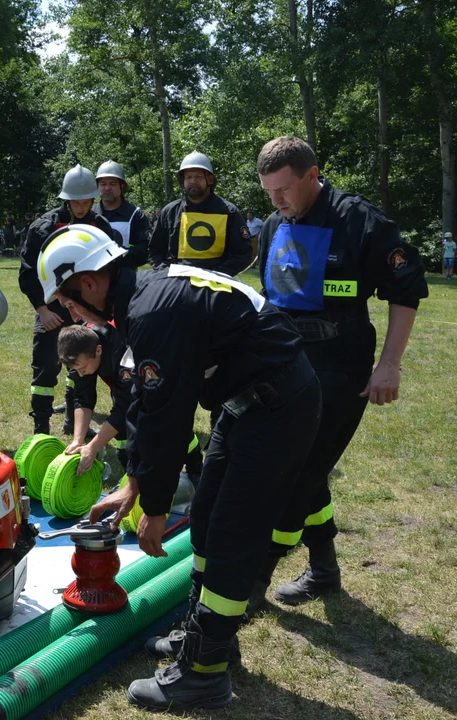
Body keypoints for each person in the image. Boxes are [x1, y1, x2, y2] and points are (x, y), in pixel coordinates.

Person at [38, 226, 321, 712]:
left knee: (232, 532)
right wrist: (134, 485)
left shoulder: (151, 312)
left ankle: (204, 674)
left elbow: (169, 419)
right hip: (248, 404)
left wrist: (154, 506)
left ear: (86, 282)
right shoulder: (143, 299)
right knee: (209, 520)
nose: (71, 314)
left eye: (67, 302)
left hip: (277, 406)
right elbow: (147, 408)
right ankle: (204, 637)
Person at [252, 135, 427, 609]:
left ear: (313, 175)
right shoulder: (272, 225)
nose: (277, 201)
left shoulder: (360, 221)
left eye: (284, 190)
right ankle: (325, 568)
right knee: (307, 468)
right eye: (269, 192)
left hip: (339, 361)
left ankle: (250, 585)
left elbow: (405, 291)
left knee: (298, 469)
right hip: (285, 360)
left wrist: (389, 365)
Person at [19, 164, 121, 435]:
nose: (80, 206)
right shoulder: (43, 227)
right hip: (51, 309)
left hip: (88, 311)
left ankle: (72, 423)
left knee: (81, 367)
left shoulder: (101, 228)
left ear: (93, 198)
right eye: (75, 201)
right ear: (65, 199)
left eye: (86, 201)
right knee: (44, 370)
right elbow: (28, 274)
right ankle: (41, 430)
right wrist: (42, 310)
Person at [57, 324, 202, 483]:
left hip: (160, 372)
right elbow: (83, 399)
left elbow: (125, 407)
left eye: (83, 368)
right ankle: (133, 477)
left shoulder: (122, 350)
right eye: (76, 369)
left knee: (170, 425)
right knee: (125, 443)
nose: (80, 373)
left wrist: (93, 447)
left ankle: (195, 469)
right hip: (125, 382)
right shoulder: (79, 349)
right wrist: (78, 440)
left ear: (98, 351)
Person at [148, 151, 251, 277]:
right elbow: (155, 250)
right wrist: (165, 273)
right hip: (175, 284)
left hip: (215, 286)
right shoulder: (169, 212)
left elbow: (243, 253)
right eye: (188, 177)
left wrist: (217, 275)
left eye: (198, 177)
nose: (193, 181)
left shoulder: (229, 212)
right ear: (182, 180)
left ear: (210, 179)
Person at [94, 160, 151, 268]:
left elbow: (145, 249)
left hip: (126, 279)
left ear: (122, 186)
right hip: (95, 279)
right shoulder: (90, 214)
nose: (107, 188)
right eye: (103, 184)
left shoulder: (135, 214)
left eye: (112, 184)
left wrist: (119, 256)